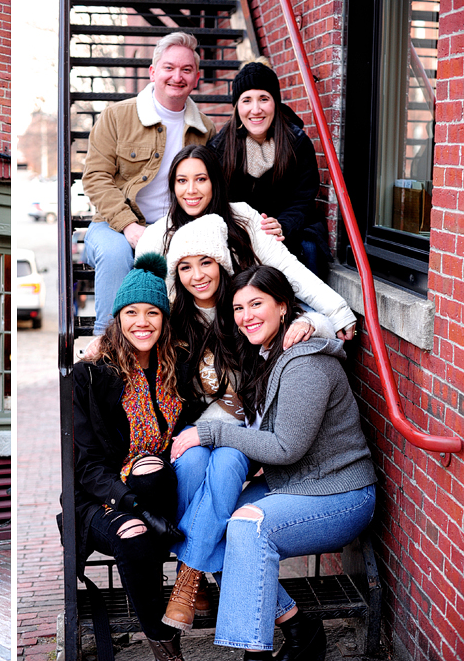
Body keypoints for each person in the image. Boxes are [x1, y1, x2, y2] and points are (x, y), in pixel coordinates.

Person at [170, 265, 377, 660]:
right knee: (211, 518)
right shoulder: (263, 354)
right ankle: (299, 628)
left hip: (339, 493)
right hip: (294, 483)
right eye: (238, 308)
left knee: (248, 527)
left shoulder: (304, 361)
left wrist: (210, 434)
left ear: (283, 307)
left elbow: (285, 448)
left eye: (257, 304)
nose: (247, 316)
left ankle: (254, 653)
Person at [161, 215, 336, 634]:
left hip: (246, 432)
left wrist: (312, 323)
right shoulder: (176, 319)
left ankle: (187, 575)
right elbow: (135, 336)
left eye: (206, 263)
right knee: (190, 466)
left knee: (224, 468)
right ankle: (200, 574)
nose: (197, 275)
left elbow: (313, 322)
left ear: (222, 265)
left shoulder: (243, 308)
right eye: (185, 266)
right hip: (201, 428)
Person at [71, 254, 188, 661]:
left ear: (164, 318)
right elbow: (85, 466)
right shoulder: (90, 375)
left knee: (152, 470)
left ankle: (187, 587)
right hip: (102, 495)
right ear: (117, 318)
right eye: (132, 312)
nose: (143, 322)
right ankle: (166, 649)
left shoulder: (178, 366)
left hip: (159, 488)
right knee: (134, 533)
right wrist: (128, 502)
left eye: (153, 312)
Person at [135, 144, 357, 339]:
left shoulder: (242, 218)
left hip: (244, 330)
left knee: (307, 330)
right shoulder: (157, 237)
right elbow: (143, 301)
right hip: (185, 336)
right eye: (182, 181)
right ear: (173, 186)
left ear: (215, 182)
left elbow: (288, 268)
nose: (191, 190)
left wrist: (337, 311)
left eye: (201, 179)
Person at [81, 31, 216, 336]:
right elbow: (95, 177)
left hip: (175, 225)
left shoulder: (204, 129)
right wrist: (129, 226)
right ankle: (108, 346)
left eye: (186, 69)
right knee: (117, 255)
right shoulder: (117, 116)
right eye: (169, 68)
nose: (176, 76)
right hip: (113, 226)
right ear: (153, 72)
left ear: (195, 77)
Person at [209, 59, 331, 277]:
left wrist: (282, 225)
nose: (255, 110)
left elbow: (302, 200)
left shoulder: (297, 142)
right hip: (239, 232)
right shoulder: (220, 148)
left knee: (309, 248)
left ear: (275, 102)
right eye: (247, 100)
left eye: (264, 99)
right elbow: (216, 201)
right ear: (237, 107)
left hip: (285, 229)